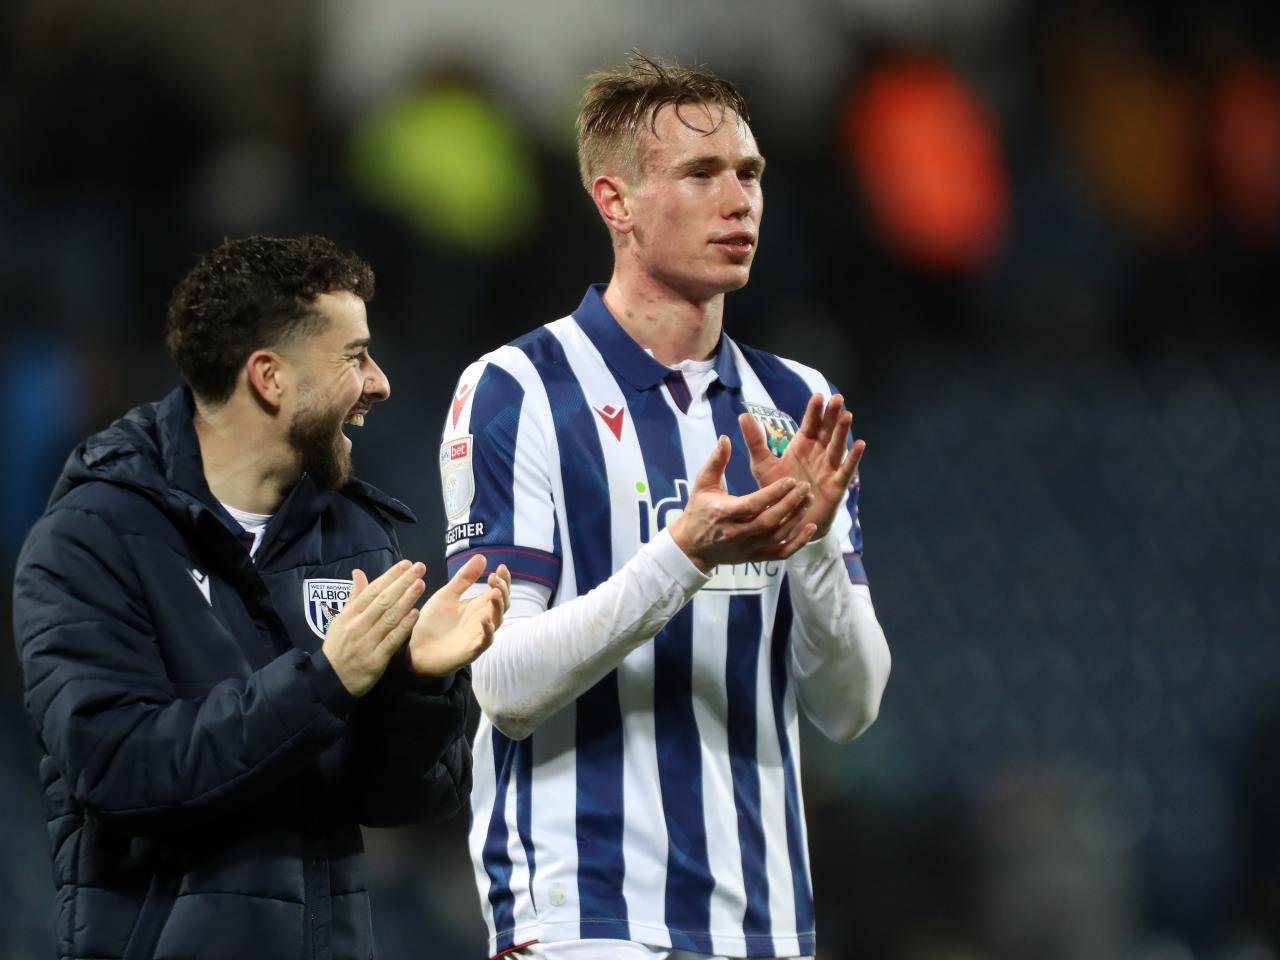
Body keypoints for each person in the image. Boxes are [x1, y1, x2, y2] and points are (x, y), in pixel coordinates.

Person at [439, 54, 891, 960]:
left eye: (751, 173)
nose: (741, 200)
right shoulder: (516, 390)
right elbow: (503, 686)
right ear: (617, 203)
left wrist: (805, 544)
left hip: (762, 923)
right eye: (702, 174)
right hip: (584, 917)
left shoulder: (795, 401)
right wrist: (681, 557)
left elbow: (850, 706)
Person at [13, 235, 511, 960]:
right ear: (269, 378)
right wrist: (325, 680)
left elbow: (401, 798)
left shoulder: (355, 541)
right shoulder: (91, 542)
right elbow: (119, 770)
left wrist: (418, 687)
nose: (380, 384)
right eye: (354, 356)